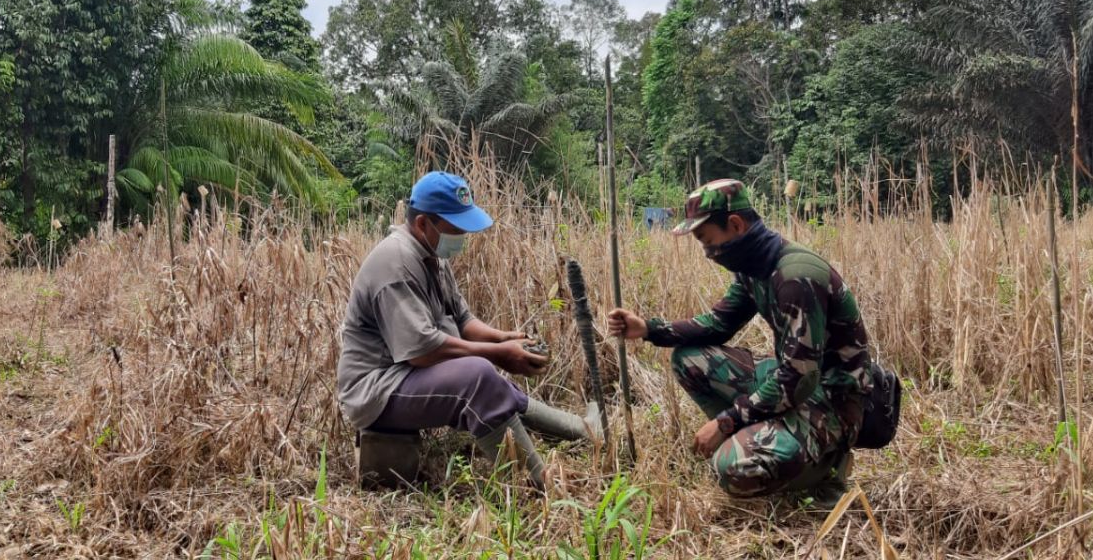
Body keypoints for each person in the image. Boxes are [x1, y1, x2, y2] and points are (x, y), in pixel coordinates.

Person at [607, 179, 872, 501]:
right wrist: (649, 329)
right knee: (689, 359)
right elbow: (719, 324)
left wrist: (726, 421)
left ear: (735, 224)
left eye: (707, 240)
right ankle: (760, 435)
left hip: (833, 401)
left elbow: (800, 377)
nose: (707, 253)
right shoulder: (754, 269)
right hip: (795, 382)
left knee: (733, 469)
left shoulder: (795, 277)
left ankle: (828, 465)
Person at [337, 171, 600, 489]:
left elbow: (463, 321)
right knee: (477, 378)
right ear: (423, 223)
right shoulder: (395, 263)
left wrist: (505, 338)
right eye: (455, 227)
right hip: (377, 390)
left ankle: (582, 430)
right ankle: (534, 485)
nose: (462, 234)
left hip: (403, 374)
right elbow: (422, 351)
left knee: (489, 381)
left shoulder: (431, 255)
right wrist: (499, 355)